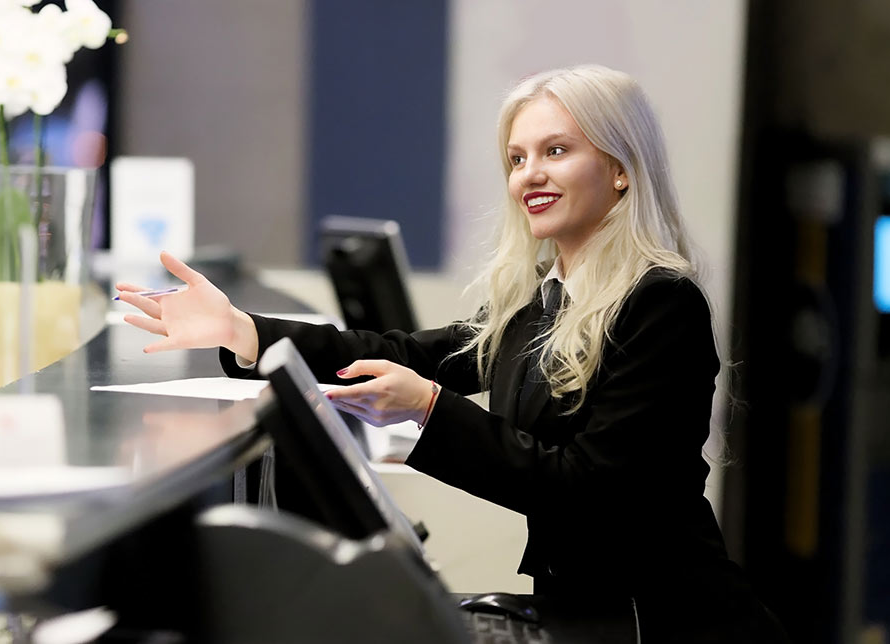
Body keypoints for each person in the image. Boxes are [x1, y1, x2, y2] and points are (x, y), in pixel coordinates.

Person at [117, 65, 787, 642]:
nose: (530, 175)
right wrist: (243, 331)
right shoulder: (545, 300)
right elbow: (404, 350)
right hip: (585, 608)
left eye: (555, 150)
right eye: (517, 159)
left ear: (618, 170)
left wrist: (429, 409)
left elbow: (589, 492)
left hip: (666, 620)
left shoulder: (659, 303)